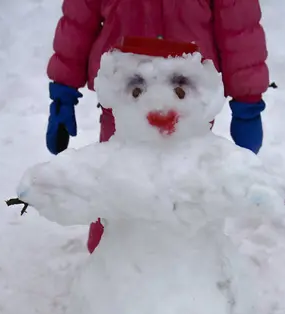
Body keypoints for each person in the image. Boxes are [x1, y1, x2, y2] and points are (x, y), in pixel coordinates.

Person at [46, 0, 269, 253]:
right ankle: (110, 262)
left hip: (189, 95)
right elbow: (78, 20)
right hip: (125, 92)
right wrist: (63, 93)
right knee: (120, 178)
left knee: (188, 181)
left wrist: (247, 102)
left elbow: (238, 27)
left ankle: (192, 262)